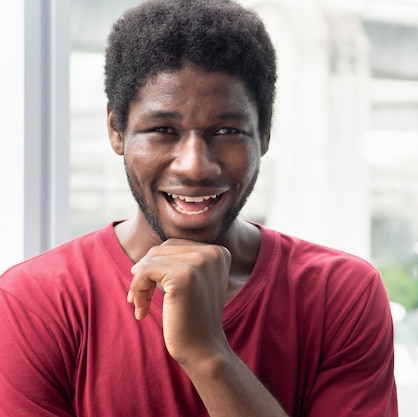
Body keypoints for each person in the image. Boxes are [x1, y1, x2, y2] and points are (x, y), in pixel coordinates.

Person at [0, 0, 397, 416]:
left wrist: (208, 353)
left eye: (226, 130)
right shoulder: (36, 302)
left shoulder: (341, 293)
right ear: (116, 130)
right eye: (162, 130)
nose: (194, 165)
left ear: (263, 133)